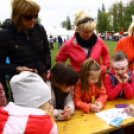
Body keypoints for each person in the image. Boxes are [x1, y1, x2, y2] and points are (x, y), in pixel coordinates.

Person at [0, 0, 51, 91]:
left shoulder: (40, 29)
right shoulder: (5, 34)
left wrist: (47, 66)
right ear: (17, 16)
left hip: (42, 77)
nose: (33, 20)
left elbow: (47, 50)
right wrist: (17, 68)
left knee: (46, 104)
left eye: (35, 16)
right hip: (22, 82)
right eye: (28, 17)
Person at [56, 10, 110, 76]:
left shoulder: (99, 41)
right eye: (86, 32)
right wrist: (69, 73)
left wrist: (105, 67)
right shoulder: (69, 44)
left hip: (97, 81)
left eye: (91, 31)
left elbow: (105, 54)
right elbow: (59, 60)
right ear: (78, 29)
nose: (89, 34)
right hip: (78, 83)